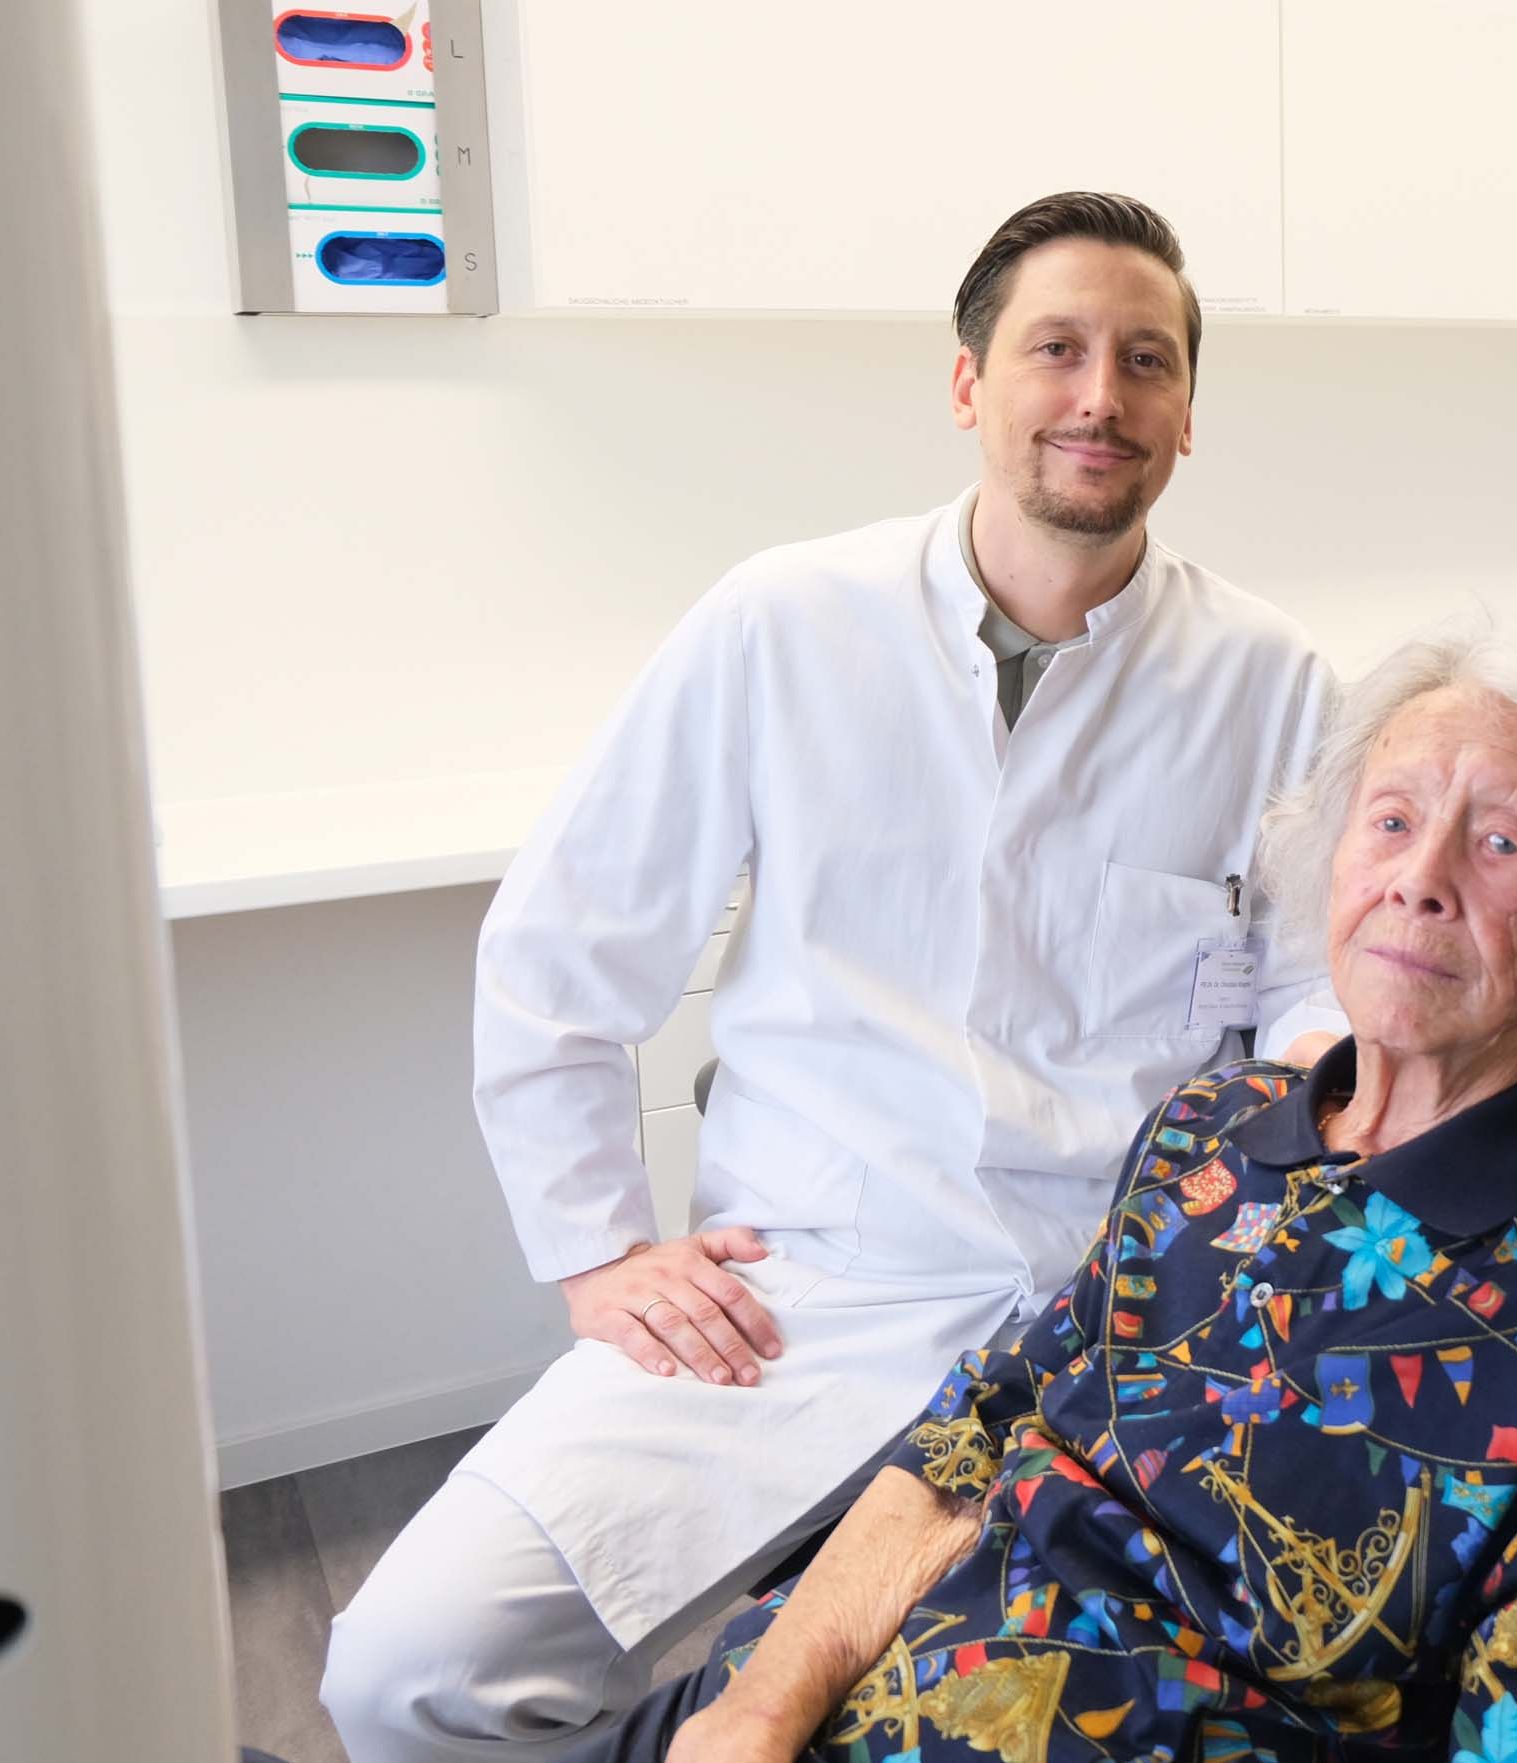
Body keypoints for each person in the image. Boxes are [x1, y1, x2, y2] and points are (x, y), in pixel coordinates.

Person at [320, 193, 1337, 1763]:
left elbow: (1313, 1004)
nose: (1099, 395)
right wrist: (597, 1251)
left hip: (1109, 1325)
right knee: (405, 1671)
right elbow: (563, 946)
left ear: (1188, 415)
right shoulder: (784, 621)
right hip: (812, 1287)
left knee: (985, 1723)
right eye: (1054, 348)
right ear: (966, 384)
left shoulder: (1273, 678)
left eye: (1147, 360)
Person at [571, 634, 1517, 1763]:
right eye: (1393, 820)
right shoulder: (1209, 1127)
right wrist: (760, 1703)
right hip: (830, 1672)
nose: (1420, 878)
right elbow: (976, 1432)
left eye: (1500, 842)